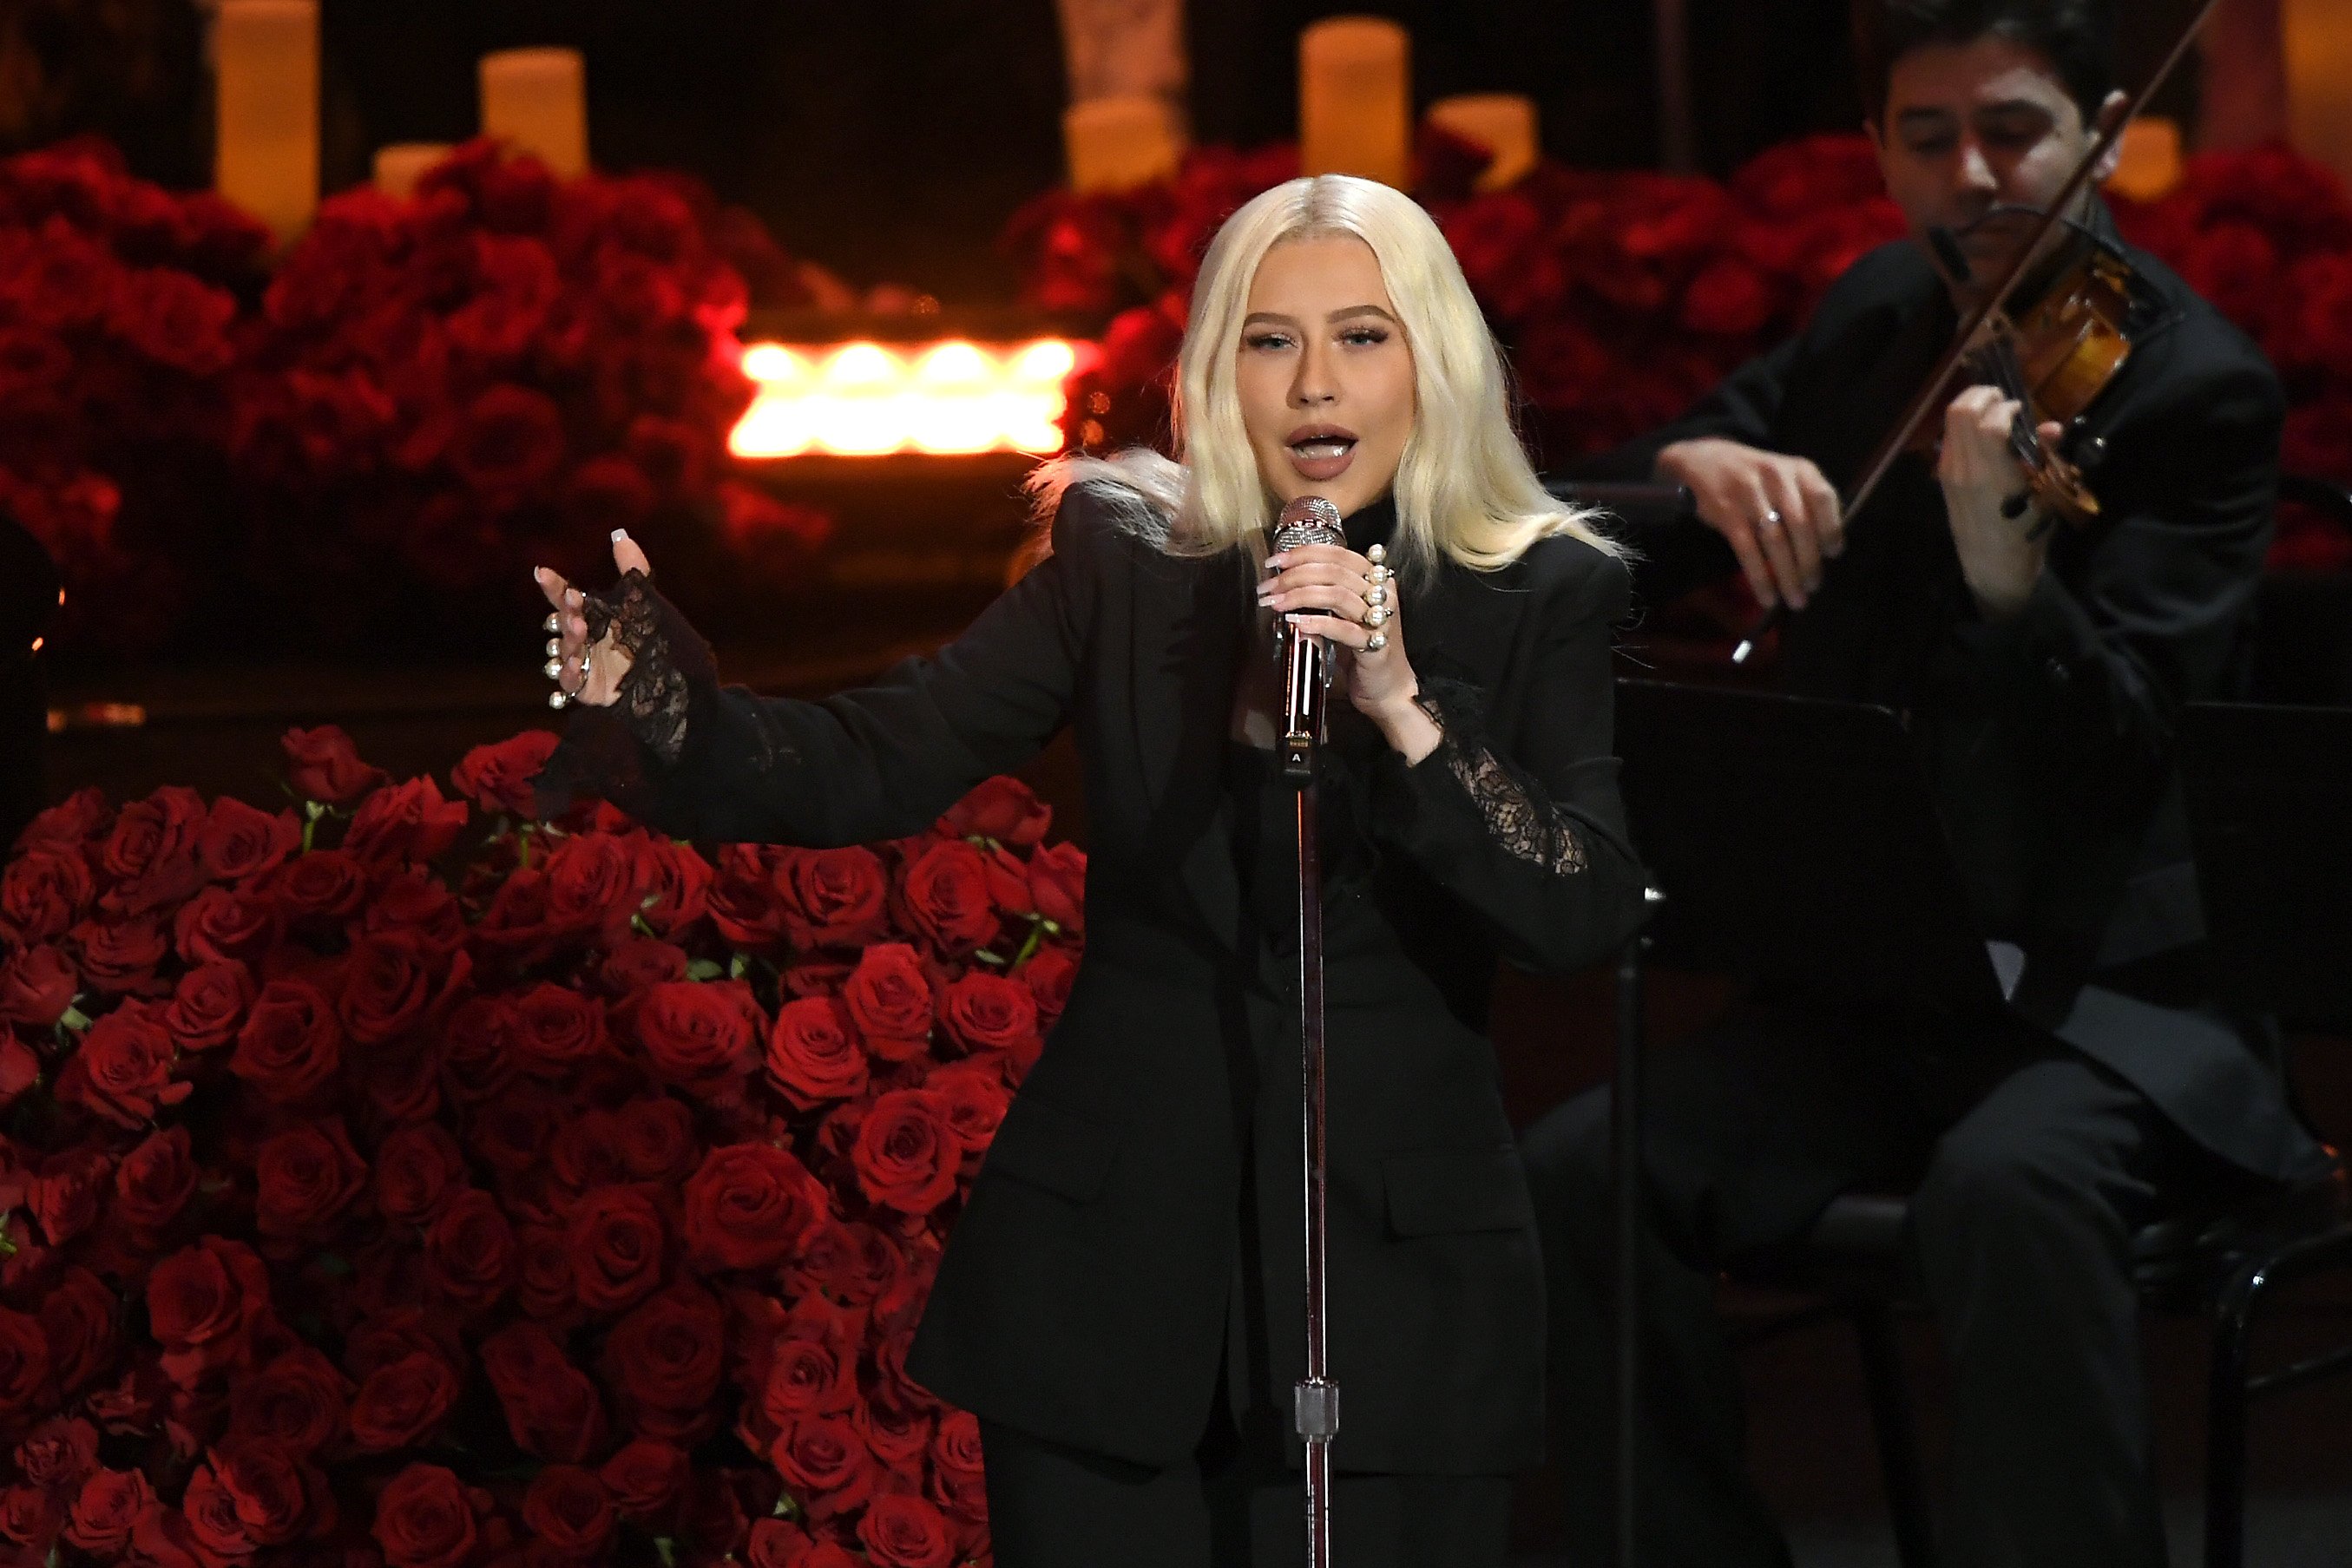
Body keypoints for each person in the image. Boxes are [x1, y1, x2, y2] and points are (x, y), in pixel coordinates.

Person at [531, 174, 1648, 1568]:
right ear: (1212, 369)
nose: (1314, 385)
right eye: (1268, 339)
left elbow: (1580, 907)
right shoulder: (1125, 566)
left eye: (1362, 337)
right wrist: (667, 703)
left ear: (1436, 358)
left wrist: (1402, 708)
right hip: (1110, 1279)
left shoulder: (1538, 588)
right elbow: (878, 754)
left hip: (1396, 1284)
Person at [1524, 2, 2330, 1565]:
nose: (1973, 174)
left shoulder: (2187, 390)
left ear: (2100, 128)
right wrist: (1691, 465)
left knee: (2002, 1194)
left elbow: (2138, 753)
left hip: (2116, 1008)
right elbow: (1603, 505)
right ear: (1880, 155)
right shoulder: (1878, 319)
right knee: (1577, 1173)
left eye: (2014, 130)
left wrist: (2018, 593)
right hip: (1885, 988)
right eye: (1927, 136)